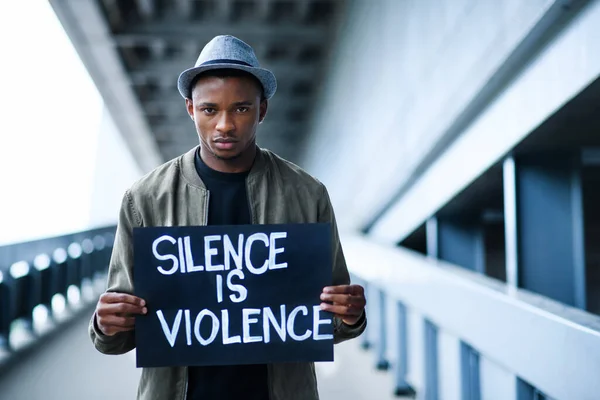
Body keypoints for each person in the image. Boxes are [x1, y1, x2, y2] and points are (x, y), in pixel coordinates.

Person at [89, 35, 367, 400]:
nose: (224, 125)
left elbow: (326, 323)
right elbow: (119, 337)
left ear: (262, 110)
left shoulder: (307, 194)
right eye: (209, 110)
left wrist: (350, 315)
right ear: (190, 109)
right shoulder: (145, 199)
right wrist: (106, 325)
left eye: (240, 109)